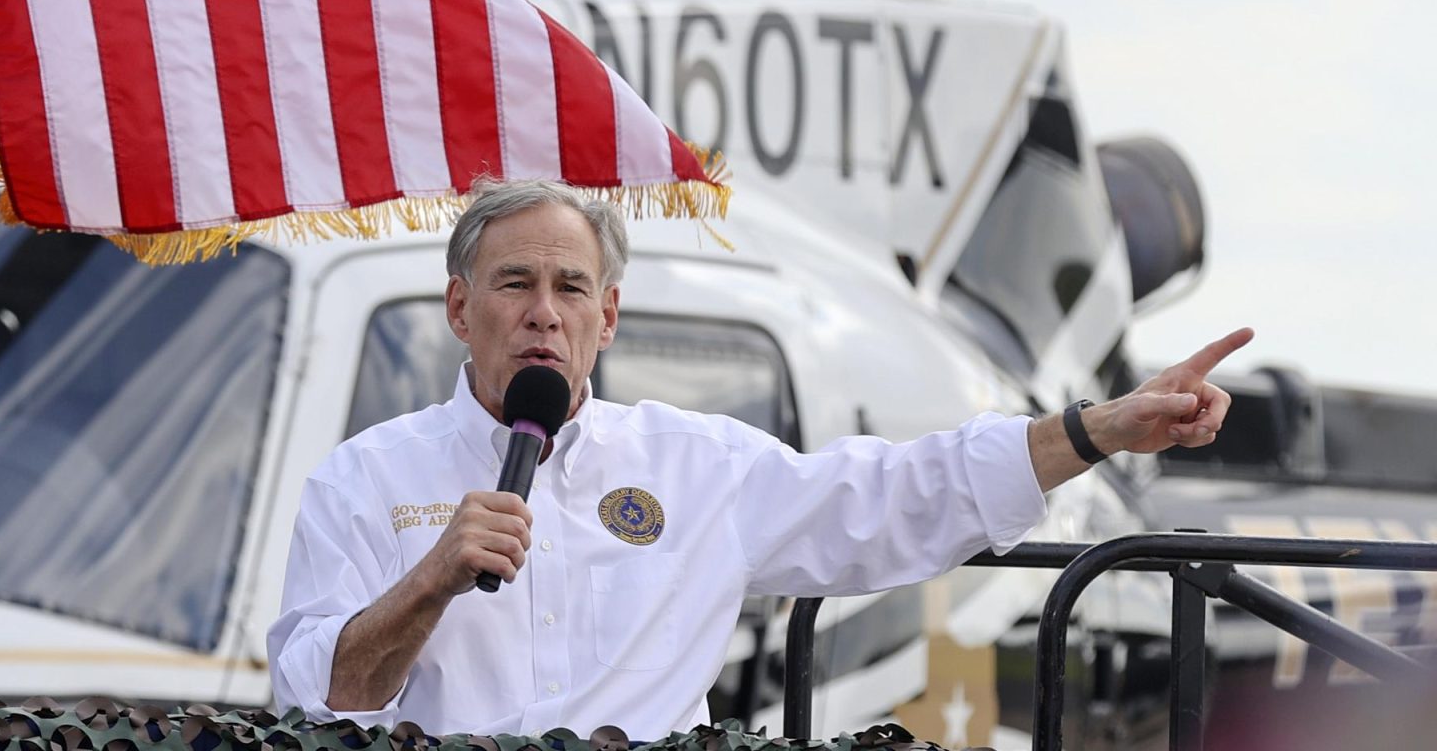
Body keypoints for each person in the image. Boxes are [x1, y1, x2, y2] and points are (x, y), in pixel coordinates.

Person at [267, 179, 1252, 738]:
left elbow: (896, 496)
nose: (542, 311)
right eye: (513, 283)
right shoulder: (363, 481)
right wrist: (430, 581)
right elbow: (314, 699)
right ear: (458, 308)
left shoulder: (698, 466)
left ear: (606, 318)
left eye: (571, 287)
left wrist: (1094, 431)